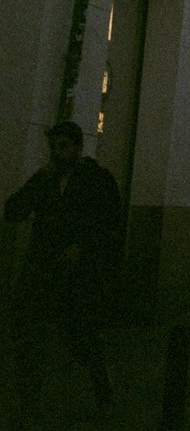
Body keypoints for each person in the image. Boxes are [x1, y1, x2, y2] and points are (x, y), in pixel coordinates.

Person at [4, 120, 121, 419]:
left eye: (64, 147)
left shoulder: (95, 180)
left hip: (78, 275)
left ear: (78, 148)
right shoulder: (45, 179)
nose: (58, 153)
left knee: (80, 336)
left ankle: (103, 391)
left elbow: (107, 223)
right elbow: (14, 211)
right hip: (43, 270)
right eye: (54, 147)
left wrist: (82, 247)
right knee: (31, 335)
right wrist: (37, 183)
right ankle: (29, 402)